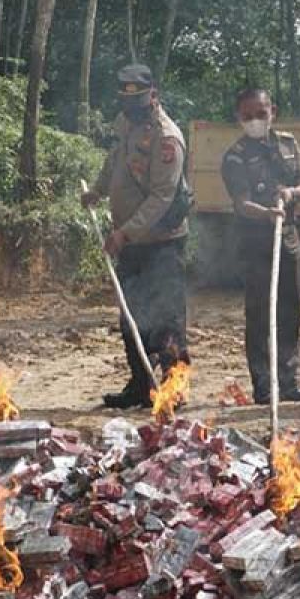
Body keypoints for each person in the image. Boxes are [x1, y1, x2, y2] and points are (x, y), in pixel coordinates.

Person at [82, 64, 191, 409]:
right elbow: (116, 160)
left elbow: (162, 195)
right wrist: (98, 191)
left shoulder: (167, 137)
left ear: (153, 95)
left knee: (166, 320)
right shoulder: (127, 123)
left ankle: (173, 389)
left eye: (138, 97)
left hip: (162, 243)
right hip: (131, 244)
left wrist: (124, 233)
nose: (131, 104)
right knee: (131, 318)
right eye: (125, 97)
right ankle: (141, 386)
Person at [220, 88, 300, 404]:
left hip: (287, 237)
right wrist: (266, 213)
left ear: (272, 110)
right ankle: (263, 385)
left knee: (290, 310)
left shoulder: (288, 144)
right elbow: (241, 202)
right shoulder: (234, 156)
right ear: (239, 118)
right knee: (260, 314)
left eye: (260, 113)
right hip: (255, 241)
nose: (255, 121)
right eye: (247, 116)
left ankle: (288, 382)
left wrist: (290, 194)